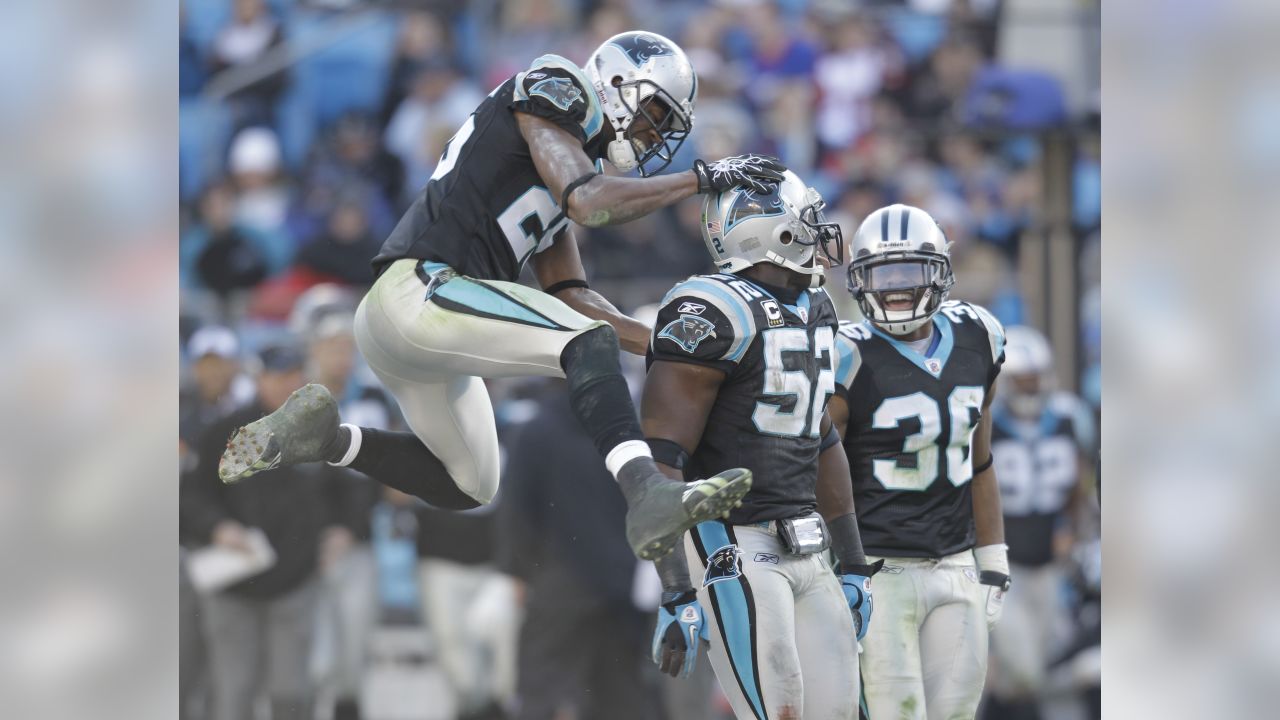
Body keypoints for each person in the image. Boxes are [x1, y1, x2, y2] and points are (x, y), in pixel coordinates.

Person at [217, 30, 785, 560]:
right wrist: (701, 179)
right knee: (585, 343)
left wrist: (674, 347)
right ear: (615, 84)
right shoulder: (557, 88)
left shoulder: (565, 169)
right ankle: (646, 493)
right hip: (420, 290)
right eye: (656, 112)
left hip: (418, 327)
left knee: (469, 484)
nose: (654, 133)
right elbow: (591, 203)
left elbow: (575, 299)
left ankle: (327, 439)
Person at [643, 172, 879, 719]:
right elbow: (661, 460)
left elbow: (819, 435)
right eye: (807, 220)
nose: (820, 233)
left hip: (806, 541)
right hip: (732, 539)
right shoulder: (708, 309)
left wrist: (854, 562)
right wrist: (676, 586)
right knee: (781, 710)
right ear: (770, 230)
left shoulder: (815, 308)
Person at [827, 203, 1010, 720]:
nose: (897, 288)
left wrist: (992, 559)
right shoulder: (845, 353)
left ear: (941, 273)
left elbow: (980, 461)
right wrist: (835, 567)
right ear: (859, 279)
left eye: (910, 271)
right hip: (879, 571)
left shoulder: (980, 336)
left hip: (955, 565)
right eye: (881, 274)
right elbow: (820, 469)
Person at [180, 342, 355, 720]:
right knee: (234, 689)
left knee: (290, 691)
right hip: (234, 579)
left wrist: (343, 529)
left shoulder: (322, 429)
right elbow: (192, 493)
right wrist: (218, 527)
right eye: (277, 375)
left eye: (294, 375)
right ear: (258, 378)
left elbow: (347, 488)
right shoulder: (225, 430)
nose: (286, 384)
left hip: (297, 577)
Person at [498, 378, 666, 720]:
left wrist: (518, 570)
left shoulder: (537, 429)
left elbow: (516, 508)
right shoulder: (627, 434)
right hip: (621, 579)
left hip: (558, 581)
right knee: (619, 694)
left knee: (541, 692)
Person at [984, 325, 1097, 720]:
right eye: (1022, 381)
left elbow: (1080, 482)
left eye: (1035, 380)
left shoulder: (1070, 417)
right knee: (1025, 669)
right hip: (1006, 563)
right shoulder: (987, 422)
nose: (1031, 388)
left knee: (1049, 665)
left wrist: (1073, 529)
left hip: (1053, 563)